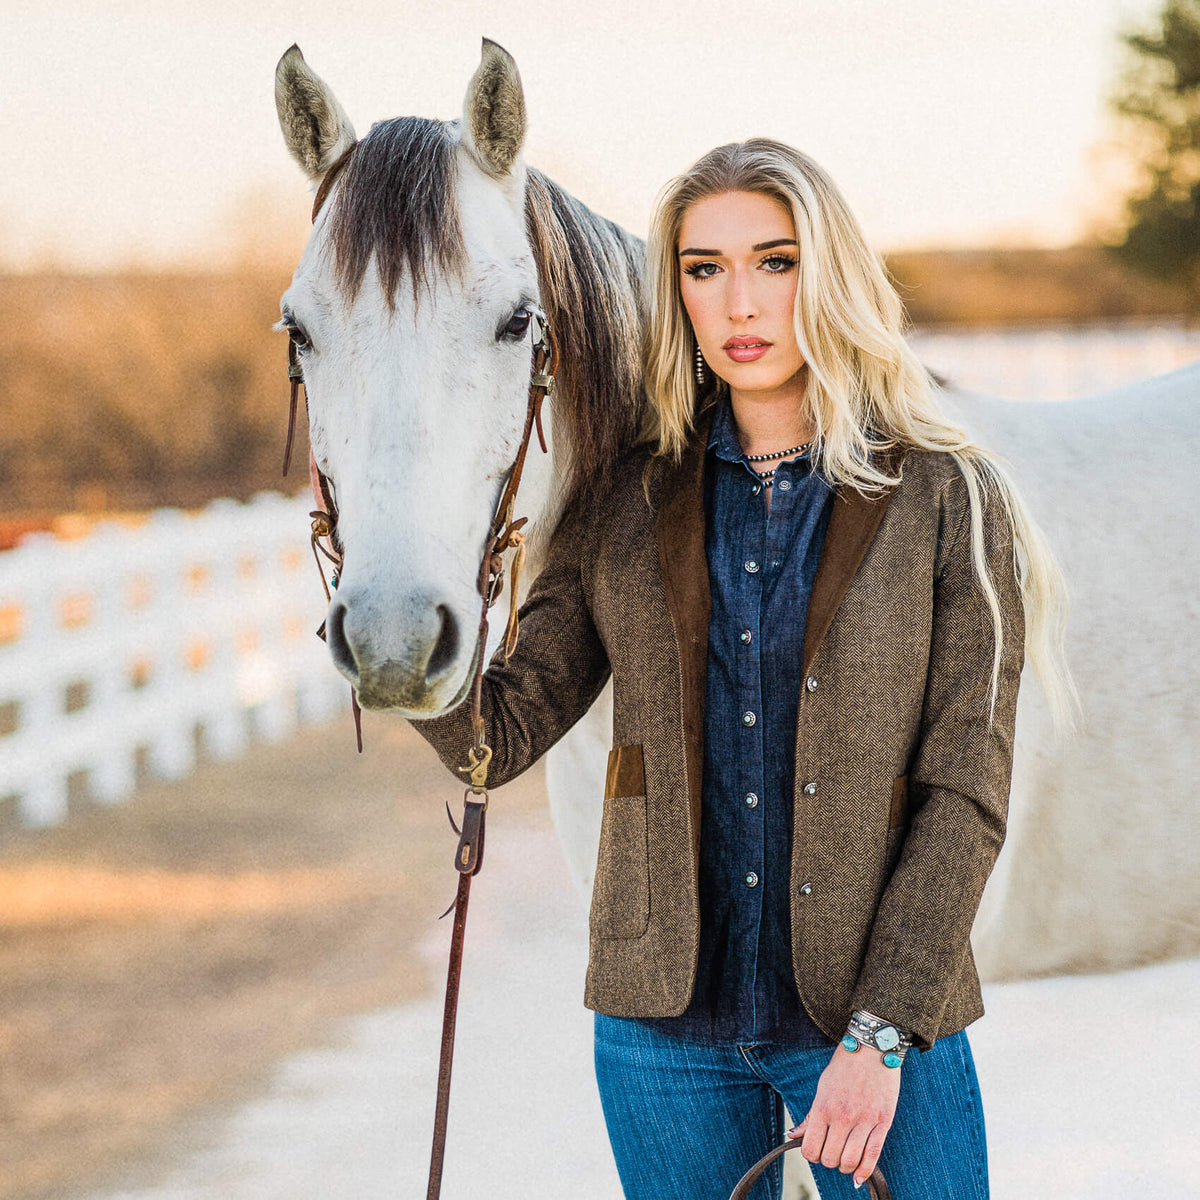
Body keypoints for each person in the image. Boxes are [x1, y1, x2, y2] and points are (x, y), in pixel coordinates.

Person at [410, 137, 1072, 1200]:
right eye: (703, 268)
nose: (739, 302)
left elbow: (965, 793)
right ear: (675, 292)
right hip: (661, 1039)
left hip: (869, 1027)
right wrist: (398, 622)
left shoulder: (949, 497)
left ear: (830, 273)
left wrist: (881, 1038)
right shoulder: (621, 501)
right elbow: (503, 734)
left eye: (775, 260)